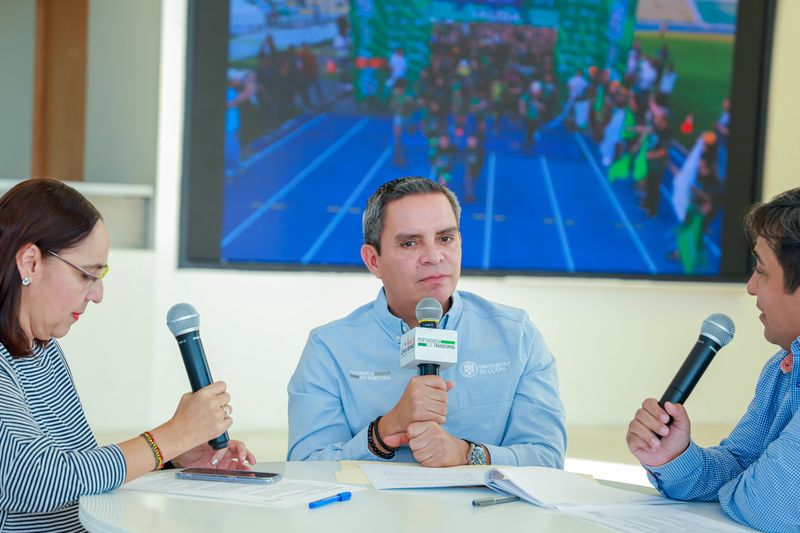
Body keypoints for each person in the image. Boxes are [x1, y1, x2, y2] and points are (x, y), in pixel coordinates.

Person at [0, 178, 254, 531]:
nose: (98, 294)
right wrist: (168, 438)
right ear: (30, 262)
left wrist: (171, 456)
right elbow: (31, 481)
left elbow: (76, 470)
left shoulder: (42, 350)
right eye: (87, 275)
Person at [288, 177, 566, 467]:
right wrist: (383, 432)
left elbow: (547, 458)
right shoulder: (329, 349)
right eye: (410, 243)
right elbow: (307, 467)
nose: (434, 257)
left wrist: (468, 453)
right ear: (373, 260)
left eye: (445, 239)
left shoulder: (517, 335)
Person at [626, 187, 800, 532]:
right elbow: (738, 462)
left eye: (761, 271)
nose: (751, 287)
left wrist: (745, 486)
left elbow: (770, 506)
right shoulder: (781, 368)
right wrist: (675, 457)